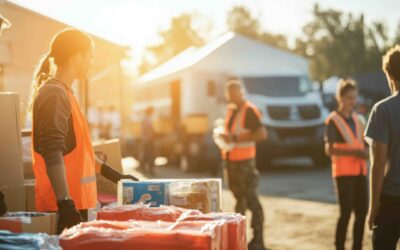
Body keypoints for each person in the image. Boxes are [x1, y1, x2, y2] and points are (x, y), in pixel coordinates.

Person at [30, 28, 137, 234]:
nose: (92, 63)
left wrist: (113, 174)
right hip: (63, 208)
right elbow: (52, 150)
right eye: (90, 56)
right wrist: (65, 202)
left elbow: (78, 151)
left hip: (72, 204)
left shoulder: (65, 93)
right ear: (77, 56)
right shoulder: (54, 93)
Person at [218, 79, 267, 250]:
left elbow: (261, 134)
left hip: (245, 164)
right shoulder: (231, 110)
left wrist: (236, 139)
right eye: (229, 94)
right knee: (239, 202)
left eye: (235, 93)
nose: (232, 97)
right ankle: (240, 241)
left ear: (241, 93)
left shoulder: (249, 110)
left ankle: (258, 240)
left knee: (252, 201)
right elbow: (231, 134)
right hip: (232, 162)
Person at [324, 79, 369, 250]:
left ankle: (357, 247)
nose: (353, 101)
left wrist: (365, 151)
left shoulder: (358, 119)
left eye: (354, 97)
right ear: (340, 98)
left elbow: (363, 142)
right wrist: (355, 153)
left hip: (360, 171)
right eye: (350, 97)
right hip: (344, 174)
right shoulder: (333, 120)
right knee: (345, 214)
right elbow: (330, 149)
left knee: (362, 213)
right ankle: (339, 247)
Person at [365, 45, 400, 250]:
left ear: (390, 76)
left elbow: (378, 165)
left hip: (391, 201)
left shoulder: (383, 110)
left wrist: (373, 207)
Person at [141, 106, 156, 176]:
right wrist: (152, 137)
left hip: (145, 139)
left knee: (146, 154)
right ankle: (150, 169)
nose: (153, 113)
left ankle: (142, 167)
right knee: (150, 155)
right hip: (148, 139)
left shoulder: (145, 118)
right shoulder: (147, 119)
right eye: (152, 111)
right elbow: (149, 130)